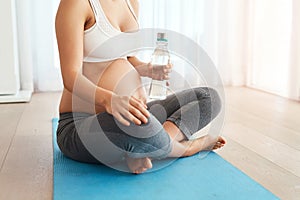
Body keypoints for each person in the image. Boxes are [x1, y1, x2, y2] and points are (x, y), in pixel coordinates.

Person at [55, 0, 226, 174]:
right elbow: (71, 76)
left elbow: (125, 58)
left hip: (134, 114)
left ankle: (147, 147)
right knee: (134, 126)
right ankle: (183, 148)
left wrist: (147, 69)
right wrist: (109, 100)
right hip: (82, 125)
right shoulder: (77, 3)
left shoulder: (131, 3)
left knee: (208, 97)